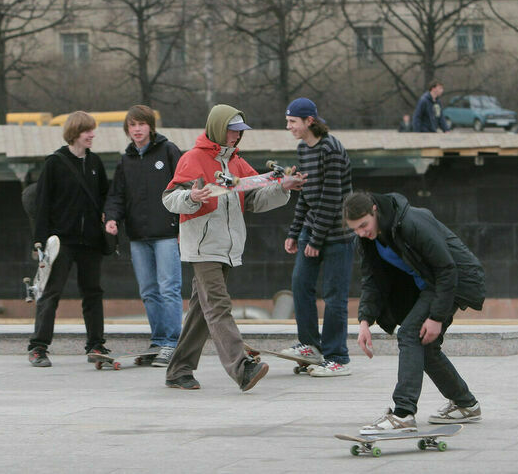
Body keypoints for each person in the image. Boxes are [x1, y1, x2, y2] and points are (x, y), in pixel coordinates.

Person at [162, 104, 306, 391]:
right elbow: (169, 198)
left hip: (227, 247)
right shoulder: (192, 158)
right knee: (218, 306)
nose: (237, 137)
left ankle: (178, 370)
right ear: (218, 127)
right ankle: (242, 367)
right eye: (233, 130)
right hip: (203, 248)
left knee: (202, 311)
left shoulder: (237, 163)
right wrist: (192, 196)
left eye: (240, 132)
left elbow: (254, 201)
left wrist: (284, 187)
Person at [344, 191, 485, 434]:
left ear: (374, 210)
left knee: (409, 333)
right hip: (429, 284)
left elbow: (446, 269)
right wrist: (365, 321)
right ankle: (466, 404)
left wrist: (436, 317)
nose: (362, 232)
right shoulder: (368, 240)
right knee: (425, 345)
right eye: (355, 229)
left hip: (456, 279)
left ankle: (403, 414)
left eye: (364, 225)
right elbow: (372, 281)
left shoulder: (410, 223)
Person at [27, 111, 110, 367]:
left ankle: (96, 344)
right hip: (61, 241)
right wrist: (40, 242)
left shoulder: (95, 163)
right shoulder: (54, 163)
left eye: (93, 131)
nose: (92, 135)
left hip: (91, 242)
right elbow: (42, 205)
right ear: (75, 132)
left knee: (93, 293)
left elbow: (105, 198)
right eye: (88, 131)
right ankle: (38, 347)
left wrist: (109, 225)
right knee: (51, 293)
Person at [104, 105, 183, 368]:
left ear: (150, 126)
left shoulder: (168, 150)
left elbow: (185, 186)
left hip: (167, 234)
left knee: (169, 288)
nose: (137, 129)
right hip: (138, 236)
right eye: (132, 125)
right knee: (149, 291)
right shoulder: (125, 160)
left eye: (141, 124)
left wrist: (183, 225)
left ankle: (173, 343)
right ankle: (158, 340)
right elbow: (117, 195)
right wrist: (113, 218)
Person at [282, 97, 355, 377]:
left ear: (309, 121)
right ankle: (311, 345)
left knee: (335, 297)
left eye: (292, 122)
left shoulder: (331, 149)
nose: (288, 127)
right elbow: (306, 196)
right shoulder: (303, 149)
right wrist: (294, 232)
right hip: (311, 231)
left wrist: (316, 239)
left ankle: (338, 357)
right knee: (300, 285)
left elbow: (332, 197)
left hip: (336, 234)